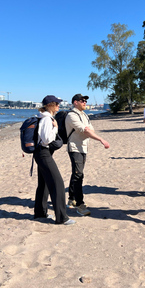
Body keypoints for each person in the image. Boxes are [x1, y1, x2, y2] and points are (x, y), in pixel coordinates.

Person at [65, 93, 110, 216]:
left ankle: (71, 198)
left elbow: (91, 130)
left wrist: (88, 131)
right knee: (79, 175)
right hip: (74, 148)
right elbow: (85, 130)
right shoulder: (71, 115)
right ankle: (80, 204)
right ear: (75, 102)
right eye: (82, 100)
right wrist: (101, 139)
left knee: (76, 173)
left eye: (85, 100)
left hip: (83, 148)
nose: (85, 102)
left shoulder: (84, 115)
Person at [33, 95, 75, 225]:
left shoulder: (43, 117)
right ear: (50, 105)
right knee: (58, 183)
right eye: (57, 104)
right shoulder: (47, 119)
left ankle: (40, 213)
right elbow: (46, 139)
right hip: (43, 153)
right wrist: (56, 127)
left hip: (41, 153)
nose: (59, 106)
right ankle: (62, 217)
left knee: (44, 183)